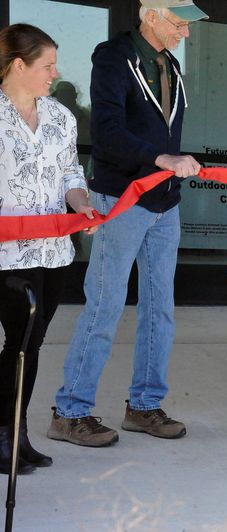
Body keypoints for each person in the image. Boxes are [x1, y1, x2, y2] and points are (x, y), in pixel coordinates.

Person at [48, 0, 208, 448]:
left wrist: (170, 165)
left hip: (165, 205)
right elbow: (108, 130)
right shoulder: (113, 56)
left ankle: (144, 406)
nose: (186, 33)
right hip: (121, 200)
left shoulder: (171, 66)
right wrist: (161, 159)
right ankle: (70, 412)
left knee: (161, 310)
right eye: (179, 23)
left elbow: (164, 131)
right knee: (104, 307)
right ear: (152, 14)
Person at [0, 24, 96, 472]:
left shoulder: (61, 116)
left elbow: (72, 172)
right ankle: (3, 434)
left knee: (32, 343)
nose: (55, 74)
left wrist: (82, 204)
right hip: (7, 253)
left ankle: (16, 435)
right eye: (47, 65)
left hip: (55, 250)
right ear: (19, 65)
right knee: (19, 339)